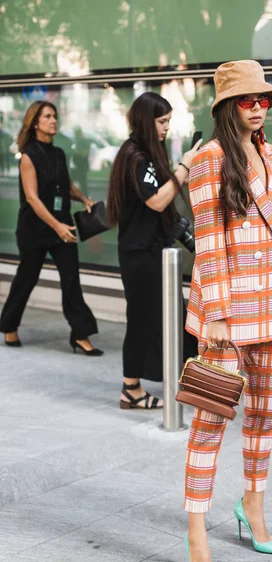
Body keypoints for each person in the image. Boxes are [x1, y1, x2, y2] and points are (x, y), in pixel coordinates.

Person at [183, 60, 272, 562]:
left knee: (264, 417)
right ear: (225, 107)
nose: (258, 107)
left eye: (264, 100)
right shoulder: (208, 160)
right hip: (226, 316)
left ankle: (252, 505)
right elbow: (209, 243)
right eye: (247, 100)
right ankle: (195, 534)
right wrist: (215, 316)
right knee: (211, 422)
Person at [107, 92, 201, 410]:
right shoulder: (135, 156)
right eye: (162, 122)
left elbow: (164, 210)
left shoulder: (148, 152)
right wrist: (184, 167)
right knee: (142, 320)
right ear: (147, 120)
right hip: (139, 254)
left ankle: (185, 378)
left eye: (168, 122)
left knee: (174, 317)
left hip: (156, 250)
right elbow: (157, 201)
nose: (166, 129)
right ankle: (130, 388)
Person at [0, 101, 103, 356]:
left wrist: (85, 200)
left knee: (71, 280)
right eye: (47, 116)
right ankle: (9, 325)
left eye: (55, 116)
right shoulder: (28, 156)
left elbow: (66, 186)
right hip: (35, 229)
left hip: (62, 224)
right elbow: (33, 198)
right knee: (27, 278)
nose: (53, 120)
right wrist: (56, 226)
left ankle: (80, 335)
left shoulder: (58, 154)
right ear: (35, 122)